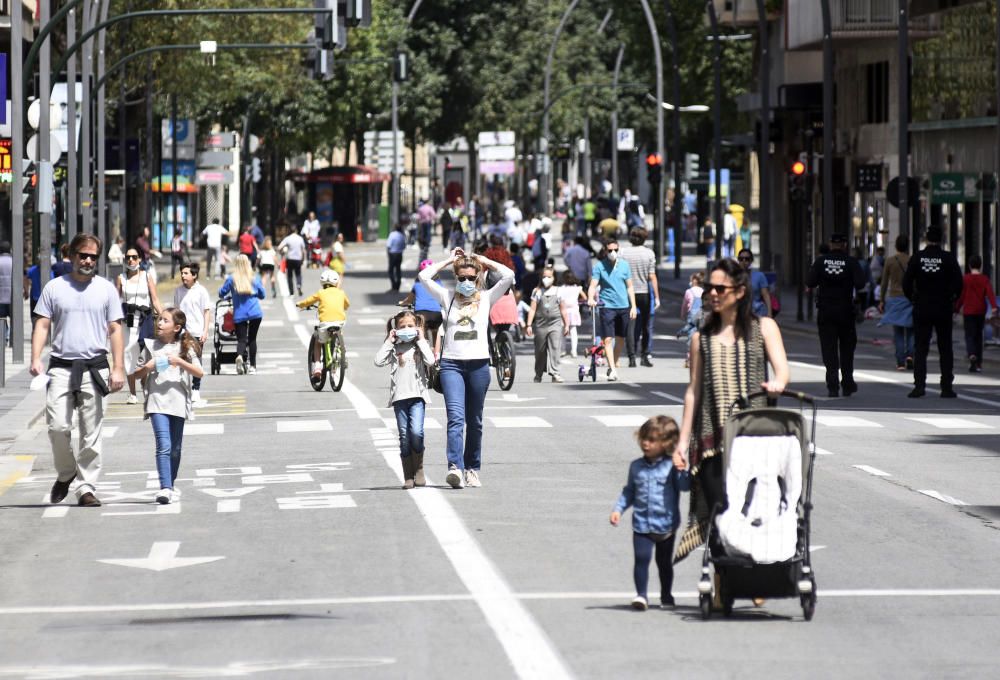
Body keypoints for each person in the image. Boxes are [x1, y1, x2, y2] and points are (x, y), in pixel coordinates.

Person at [672, 257, 789, 566]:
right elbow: (693, 392)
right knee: (719, 510)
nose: (712, 293)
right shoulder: (701, 339)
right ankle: (726, 579)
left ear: (738, 291)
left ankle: (756, 570)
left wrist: (777, 383)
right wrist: (683, 442)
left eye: (720, 288)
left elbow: (782, 371)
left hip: (755, 437)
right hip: (712, 442)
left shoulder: (764, 328)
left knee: (752, 510)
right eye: (710, 287)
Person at [30, 233, 126, 508]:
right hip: (60, 366)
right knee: (57, 426)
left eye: (92, 257)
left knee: (91, 432)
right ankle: (67, 471)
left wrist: (118, 367)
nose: (87, 260)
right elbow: (43, 325)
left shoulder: (106, 289)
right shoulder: (55, 288)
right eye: (82, 255)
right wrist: (36, 357)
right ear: (71, 256)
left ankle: (86, 487)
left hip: (94, 367)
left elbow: (115, 329)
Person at [418, 248, 515, 489]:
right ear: (456, 277)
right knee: (455, 418)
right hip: (452, 365)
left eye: (472, 277)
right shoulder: (447, 295)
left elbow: (508, 276)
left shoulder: (487, 298)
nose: (467, 282)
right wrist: (451, 260)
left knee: (475, 421)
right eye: (462, 277)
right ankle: (455, 467)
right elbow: (424, 277)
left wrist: (484, 261)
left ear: (478, 277)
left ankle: (472, 468)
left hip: (479, 365)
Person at [610, 415, 690, 611]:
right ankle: (641, 595)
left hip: (666, 525)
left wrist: (682, 470)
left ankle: (666, 595)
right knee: (641, 559)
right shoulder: (636, 466)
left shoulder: (671, 466)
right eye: (644, 439)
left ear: (667, 443)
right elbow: (630, 491)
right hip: (642, 524)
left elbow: (684, 486)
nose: (646, 443)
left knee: (664, 563)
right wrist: (618, 509)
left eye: (652, 440)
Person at [131, 307, 204, 504]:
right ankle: (165, 487)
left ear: (177, 327)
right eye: (158, 320)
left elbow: (199, 372)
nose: (159, 323)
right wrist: (147, 367)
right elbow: (135, 375)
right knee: (163, 445)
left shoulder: (185, 347)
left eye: (164, 321)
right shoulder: (149, 346)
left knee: (176, 448)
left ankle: (170, 484)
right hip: (156, 401)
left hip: (178, 400)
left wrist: (179, 361)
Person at [375, 310, 435, 489]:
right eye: (402, 327)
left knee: (416, 432)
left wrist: (422, 339)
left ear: (417, 327)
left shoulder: (419, 346)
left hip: (417, 397)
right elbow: (378, 361)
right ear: (396, 329)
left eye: (410, 326)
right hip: (399, 399)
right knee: (404, 436)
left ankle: (419, 469)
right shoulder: (394, 348)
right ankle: (408, 475)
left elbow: (431, 361)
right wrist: (389, 340)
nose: (407, 329)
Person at [903, 226, 964, 398]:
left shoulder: (917, 258)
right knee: (945, 348)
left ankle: (919, 385)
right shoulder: (948, 258)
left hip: (922, 306)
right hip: (943, 307)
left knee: (921, 348)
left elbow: (906, 282)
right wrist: (951, 298)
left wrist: (913, 298)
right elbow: (959, 283)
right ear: (941, 239)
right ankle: (946, 387)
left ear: (926, 239)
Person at [806, 233, 866, 398]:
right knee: (847, 349)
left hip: (826, 311)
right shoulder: (851, 262)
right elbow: (861, 283)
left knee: (829, 349)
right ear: (845, 245)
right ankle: (847, 383)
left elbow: (810, 282)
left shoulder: (821, 262)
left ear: (831, 244)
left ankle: (832, 385)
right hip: (845, 311)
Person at [587, 238, 638, 382]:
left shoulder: (625, 266)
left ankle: (613, 361)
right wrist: (591, 298)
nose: (613, 253)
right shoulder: (599, 267)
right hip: (607, 306)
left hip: (623, 306)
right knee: (608, 339)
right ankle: (612, 368)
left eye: (615, 250)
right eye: (610, 250)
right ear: (605, 251)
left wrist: (633, 306)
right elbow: (593, 285)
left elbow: (630, 287)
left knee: (621, 338)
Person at [117, 247, 162, 405]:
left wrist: (164, 316)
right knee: (129, 356)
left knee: (143, 356)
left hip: (145, 321)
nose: (131, 260)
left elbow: (155, 299)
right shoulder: (121, 278)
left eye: (134, 257)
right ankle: (132, 393)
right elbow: (117, 302)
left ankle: (145, 387)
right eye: (128, 257)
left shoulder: (146, 276)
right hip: (128, 322)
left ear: (139, 259)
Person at [297, 269, 350, 377]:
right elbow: (347, 305)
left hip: (325, 323)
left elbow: (309, 301)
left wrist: (300, 304)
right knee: (339, 332)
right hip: (339, 322)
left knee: (318, 341)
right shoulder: (341, 292)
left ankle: (317, 366)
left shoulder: (321, 293)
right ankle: (342, 352)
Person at [173, 262, 212, 406]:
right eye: (182, 273)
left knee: (196, 360)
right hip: (183, 332)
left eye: (186, 273)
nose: (183, 276)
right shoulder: (178, 291)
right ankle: (184, 389)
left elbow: (206, 311)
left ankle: (196, 388)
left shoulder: (201, 291)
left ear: (194, 275)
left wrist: (205, 331)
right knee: (182, 360)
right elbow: (176, 311)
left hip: (197, 331)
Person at [219, 254, 265, 375]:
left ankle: (239, 355)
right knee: (252, 339)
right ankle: (253, 367)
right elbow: (262, 294)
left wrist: (226, 295)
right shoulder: (254, 278)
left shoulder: (231, 278)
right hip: (255, 312)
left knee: (241, 340)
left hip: (240, 313)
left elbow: (221, 292)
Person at [621, 227, 659, 367]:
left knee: (630, 326)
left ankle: (632, 357)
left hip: (628, 293)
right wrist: (657, 296)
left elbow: (620, 274)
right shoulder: (649, 253)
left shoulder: (623, 253)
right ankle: (645, 355)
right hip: (644, 293)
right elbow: (652, 276)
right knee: (646, 325)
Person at [526, 265, 569, 383]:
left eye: (549, 277)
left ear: (554, 278)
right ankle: (538, 373)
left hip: (555, 324)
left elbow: (563, 309)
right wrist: (529, 325)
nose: (546, 279)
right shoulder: (537, 291)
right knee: (540, 350)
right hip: (540, 325)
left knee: (555, 347)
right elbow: (532, 309)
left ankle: (555, 373)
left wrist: (566, 325)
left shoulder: (558, 291)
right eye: (544, 276)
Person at [878, 235, 915, 370]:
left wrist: (881, 300)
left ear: (896, 246)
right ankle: (910, 355)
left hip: (894, 298)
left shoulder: (890, 261)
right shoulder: (912, 260)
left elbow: (884, 282)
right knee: (911, 329)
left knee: (898, 331)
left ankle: (900, 362)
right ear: (907, 246)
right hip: (910, 298)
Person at [956, 254, 998, 373]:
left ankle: (971, 355)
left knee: (969, 335)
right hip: (980, 311)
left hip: (968, 311)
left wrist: (956, 308)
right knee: (979, 336)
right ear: (980, 266)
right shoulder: (984, 279)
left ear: (969, 266)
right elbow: (990, 293)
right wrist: (994, 307)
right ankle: (978, 363)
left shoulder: (965, 279)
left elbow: (961, 296)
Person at [400, 259, 443, 356]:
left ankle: (426, 353)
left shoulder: (417, 285)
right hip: (437, 313)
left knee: (422, 334)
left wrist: (403, 302)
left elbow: (409, 300)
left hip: (421, 313)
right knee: (436, 331)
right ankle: (437, 354)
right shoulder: (439, 284)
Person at [558, 271, 585, 357]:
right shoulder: (577, 288)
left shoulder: (561, 288)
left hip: (563, 311)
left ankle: (563, 350)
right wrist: (578, 301)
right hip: (573, 311)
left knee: (563, 332)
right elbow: (585, 297)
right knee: (573, 331)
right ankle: (574, 351)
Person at [737, 248, 771, 318]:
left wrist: (769, 313)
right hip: (739, 313)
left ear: (751, 261)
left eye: (747, 259)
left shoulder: (759, 276)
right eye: (741, 259)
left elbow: (766, 295)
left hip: (757, 312)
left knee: (755, 329)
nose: (744, 261)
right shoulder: (733, 276)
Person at [278, 226, 306, 296]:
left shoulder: (287, 238)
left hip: (290, 259)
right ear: (296, 231)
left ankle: (291, 292)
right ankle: (299, 285)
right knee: (298, 274)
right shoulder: (300, 239)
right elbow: (303, 250)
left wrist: (282, 253)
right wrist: (303, 259)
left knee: (290, 276)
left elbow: (279, 247)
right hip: (298, 259)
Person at [387, 223, 407, 292]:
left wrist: (389, 254)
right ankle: (397, 286)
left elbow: (388, 245)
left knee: (391, 271)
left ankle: (393, 286)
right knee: (398, 270)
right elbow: (404, 246)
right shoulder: (402, 236)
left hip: (392, 254)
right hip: (399, 254)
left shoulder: (392, 235)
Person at [0, 241, 11, 346]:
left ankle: (4, 337)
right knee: (14, 318)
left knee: (1, 318)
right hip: (13, 297)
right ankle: (10, 336)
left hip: (1, 297)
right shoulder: (14, 261)